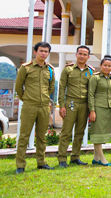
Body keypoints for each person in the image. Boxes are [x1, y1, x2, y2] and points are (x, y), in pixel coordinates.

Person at [15, 42, 55, 174]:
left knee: (42, 136)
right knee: (24, 136)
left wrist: (43, 99)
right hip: (29, 106)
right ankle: (20, 165)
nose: (43, 53)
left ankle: (41, 162)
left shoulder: (50, 69)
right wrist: (26, 99)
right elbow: (18, 87)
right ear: (35, 52)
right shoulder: (25, 68)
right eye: (41, 50)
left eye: (46, 51)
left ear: (48, 53)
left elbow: (51, 88)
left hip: (44, 106)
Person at [57, 45, 94, 168]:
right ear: (76, 54)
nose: (82, 56)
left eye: (85, 54)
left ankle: (75, 157)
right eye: (80, 53)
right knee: (66, 132)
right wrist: (61, 105)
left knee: (80, 132)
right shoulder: (68, 69)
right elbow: (62, 88)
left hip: (84, 104)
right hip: (70, 103)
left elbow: (91, 90)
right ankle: (62, 158)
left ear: (88, 57)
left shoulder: (90, 71)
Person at [88, 55, 111, 167]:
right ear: (100, 65)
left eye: (109, 66)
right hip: (98, 107)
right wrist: (92, 111)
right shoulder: (95, 78)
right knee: (97, 133)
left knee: (102, 133)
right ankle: (102, 159)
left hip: (108, 108)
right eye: (105, 65)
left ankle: (96, 158)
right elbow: (90, 94)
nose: (107, 68)